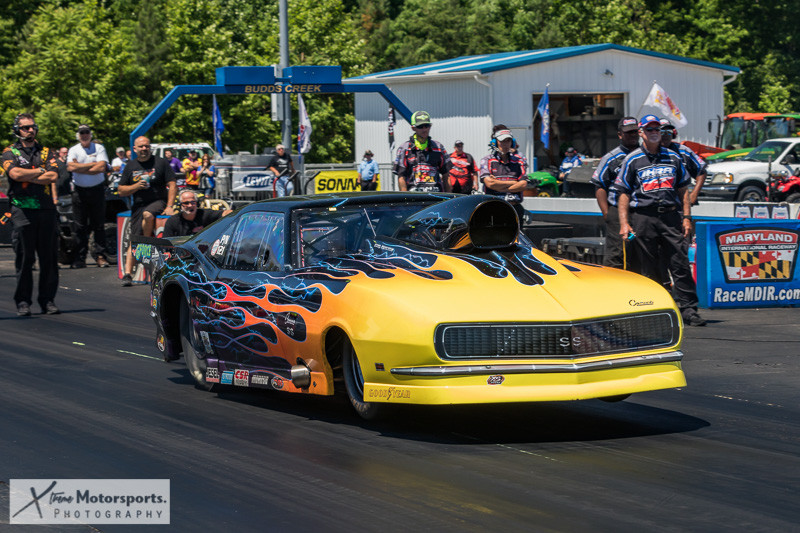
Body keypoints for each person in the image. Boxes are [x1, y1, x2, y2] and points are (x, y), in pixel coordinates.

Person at [614, 115, 706, 326]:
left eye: (657, 129)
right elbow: (623, 193)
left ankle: (689, 309)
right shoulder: (632, 159)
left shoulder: (674, 157)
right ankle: (657, 309)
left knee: (679, 262)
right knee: (649, 266)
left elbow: (683, 190)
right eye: (650, 129)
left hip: (671, 216)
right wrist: (624, 223)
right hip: (643, 217)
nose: (654, 133)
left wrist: (687, 218)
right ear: (641, 133)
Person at [1, 113, 60, 316]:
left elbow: (53, 175)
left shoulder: (46, 152)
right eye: (25, 128)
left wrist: (29, 175)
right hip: (21, 210)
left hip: (46, 210)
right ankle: (23, 302)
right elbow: (14, 174)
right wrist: (39, 172)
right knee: (25, 258)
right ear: (17, 130)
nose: (30, 130)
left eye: (32, 127)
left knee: (48, 258)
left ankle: (47, 300)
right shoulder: (9, 152)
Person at [118, 136, 177, 286]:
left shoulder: (161, 162)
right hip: (138, 205)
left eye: (147, 146)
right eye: (141, 146)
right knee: (134, 239)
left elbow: (172, 184)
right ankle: (127, 274)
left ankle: (146, 242)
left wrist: (170, 206)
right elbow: (121, 190)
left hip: (158, 202)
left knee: (148, 215)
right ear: (135, 149)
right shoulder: (130, 166)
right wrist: (136, 186)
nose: (144, 149)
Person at [591, 117, 640, 269]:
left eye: (635, 132)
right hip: (617, 212)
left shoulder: (646, 155)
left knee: (640, 251)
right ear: (620, 134)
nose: (632, 135)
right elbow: (599, 186)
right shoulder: (611, 158)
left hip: (641, 211)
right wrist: (607, 214)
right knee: (616, 253)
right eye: (628, 132)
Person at [66, 124, 110, 268]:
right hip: (79, 192)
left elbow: (102, 167)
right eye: (82, 133)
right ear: (78, 136)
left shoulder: (99, 148)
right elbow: (70, 167)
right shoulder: (74, 149)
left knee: (99, 225)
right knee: (79, 226)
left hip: (97, 190)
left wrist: (79, 167)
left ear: (90, 134)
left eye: (87, 132)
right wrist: (92, 165)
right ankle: (80, 258)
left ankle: (100, 256)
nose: (84, 135)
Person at [479, 125, 531, 223]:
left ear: (512, 142)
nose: (505, 144)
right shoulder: (487, 160)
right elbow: (490, 183)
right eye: (502, 141)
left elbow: (523, 185)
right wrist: (514, 182)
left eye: (508, 141)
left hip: (515, 208)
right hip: (493, 208)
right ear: (495, 143)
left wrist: (498, 185)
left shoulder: (519, 161)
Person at [393, 111, 450, 192]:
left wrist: (449, 197)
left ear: (430, 126)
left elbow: (446, 175)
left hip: (436, 196)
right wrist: (405, 198)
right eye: (420, 126)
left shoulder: (438, 147)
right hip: (414, 197)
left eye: (427, 126)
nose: (424, 129)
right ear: (413, 128)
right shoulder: (404, 148)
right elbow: (401, 177)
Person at [660, 119, 707, 205]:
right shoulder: (649, 152)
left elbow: (701, 172)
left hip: (680, 203)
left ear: (673, 134)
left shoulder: (683, 151)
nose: (666, 135)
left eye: (669, 132)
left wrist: (694, 194)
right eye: (662, 132)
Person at [162, 189, 232, 238]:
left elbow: (225, 213)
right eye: (186, 203)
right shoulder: (172, 221)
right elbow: (166, 243)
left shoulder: (205, 214)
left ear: (197, 203)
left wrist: (233, 213)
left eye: (193, 202)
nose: (190, 205)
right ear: (180, 205)